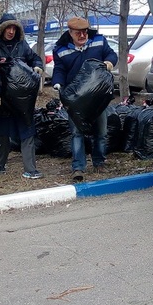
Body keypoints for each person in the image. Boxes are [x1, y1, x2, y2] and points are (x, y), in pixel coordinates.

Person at [52, 17, 118, 182]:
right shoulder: (61, 50)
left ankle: (99, 161)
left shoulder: (99, 41)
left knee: (101, 132)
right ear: (70, 33)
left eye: (84, 32)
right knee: (77, 133)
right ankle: (78, 167)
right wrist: (58, 83)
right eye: (78, 33)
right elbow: (59, 68)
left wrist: (110, 62)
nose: (82, 36)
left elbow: (111, 54)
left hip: (97, 98)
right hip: (77, 101)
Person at [0, 13, 44, 180]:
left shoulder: (21, 45)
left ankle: (31, 169)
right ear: (2, 29)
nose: (11, 31)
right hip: (3, 96)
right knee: (3, 132)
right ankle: (0, 165)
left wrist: (37, 66)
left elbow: (34, 58)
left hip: (22, 98)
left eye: (14, 28)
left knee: (27, 129)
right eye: (8, 28)